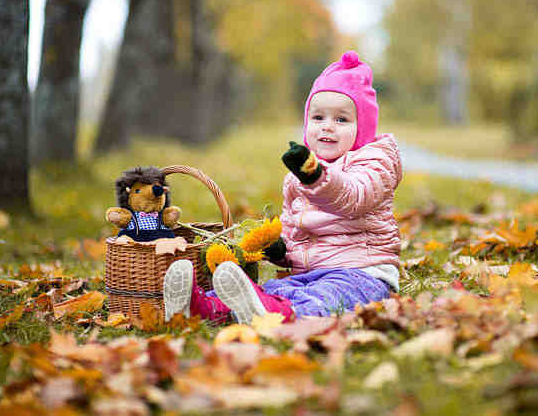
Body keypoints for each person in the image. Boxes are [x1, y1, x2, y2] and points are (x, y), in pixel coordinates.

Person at [163, 51, 402, 324]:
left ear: (363, 127)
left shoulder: (374, 161)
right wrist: (281, 250)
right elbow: (296, 229)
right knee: (278, 288)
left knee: (327, 297)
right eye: (318, 117)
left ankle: (277, 314)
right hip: (307, 274)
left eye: (341, 120)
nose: (327, 127)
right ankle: (205, 306)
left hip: (362, 273)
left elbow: (353, 197)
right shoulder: (299, 173)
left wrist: (314, 176)